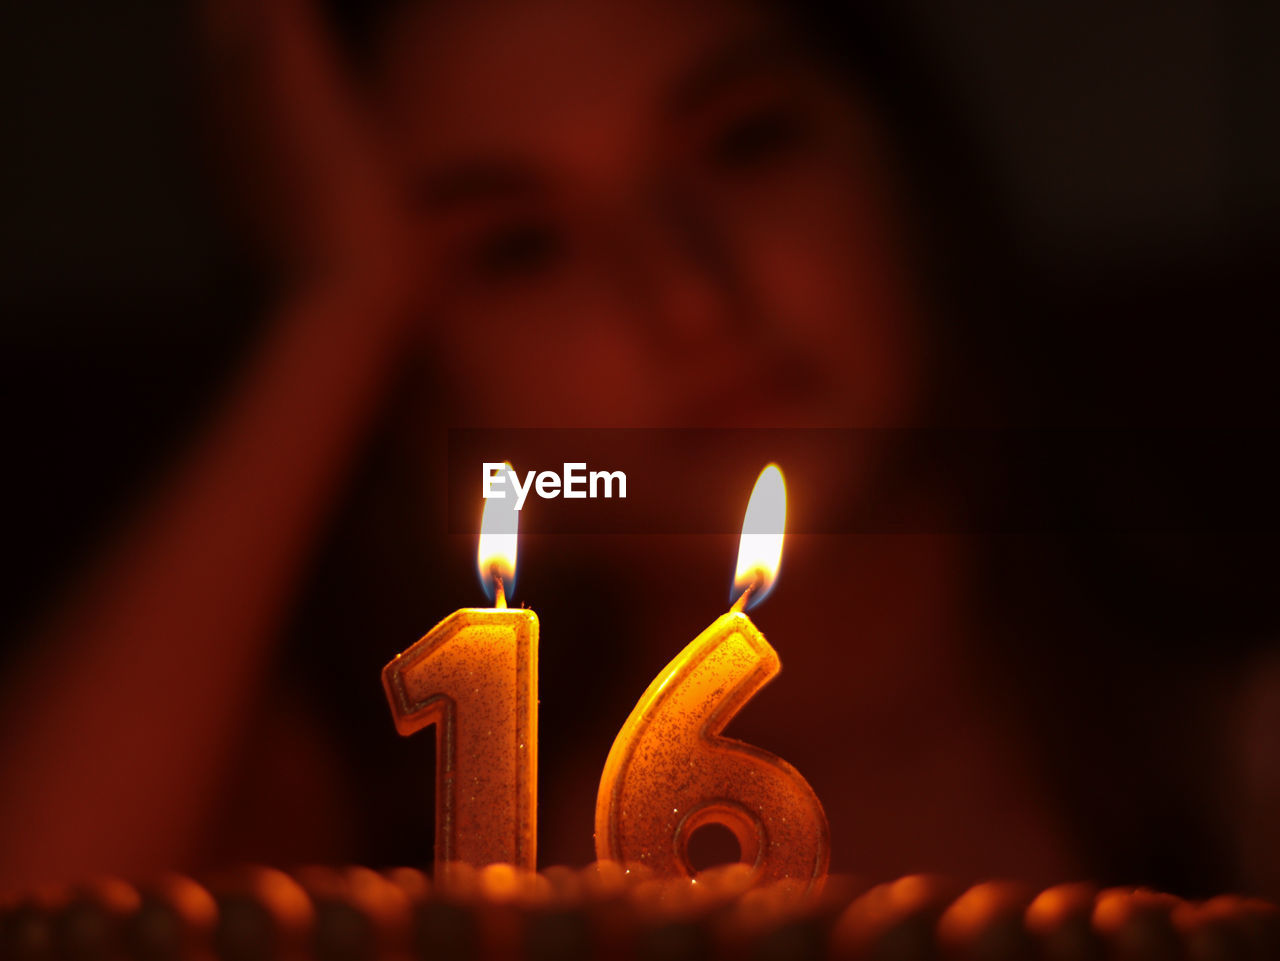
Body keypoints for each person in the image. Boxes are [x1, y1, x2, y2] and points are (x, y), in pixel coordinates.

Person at [0, 0, 1090, 890]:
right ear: (412, 378)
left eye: (742, 139)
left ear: (897, 149)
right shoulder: (349, 827)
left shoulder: (1236, 754)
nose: (687, 299)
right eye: (519, 246)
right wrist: (336, 302)